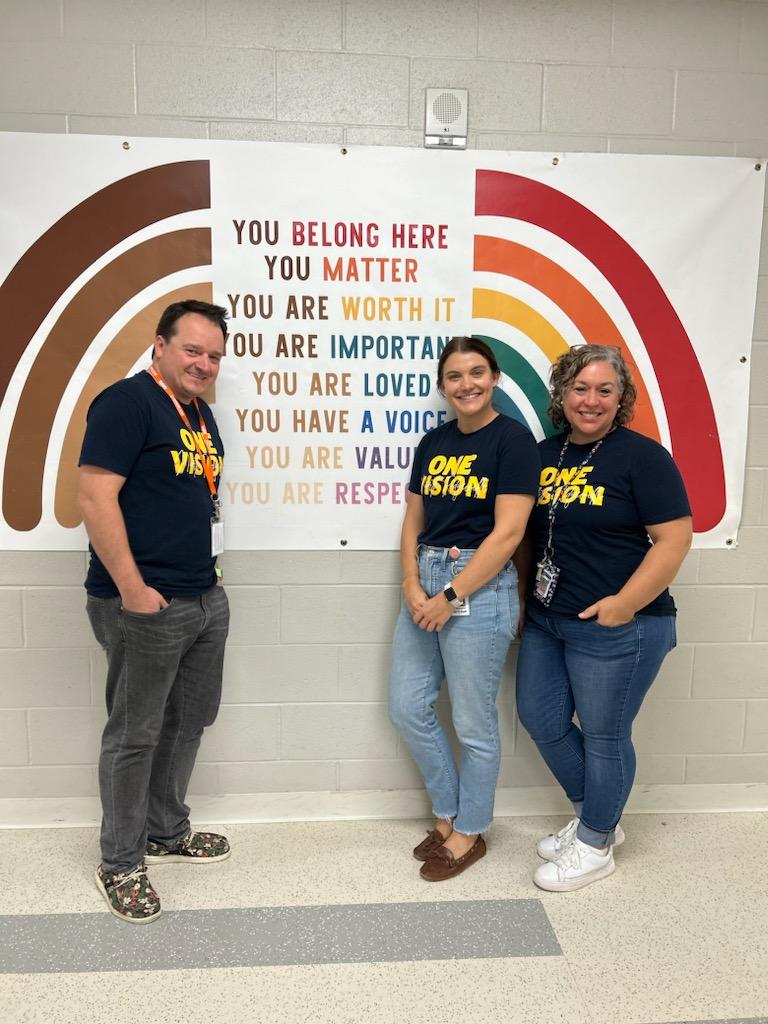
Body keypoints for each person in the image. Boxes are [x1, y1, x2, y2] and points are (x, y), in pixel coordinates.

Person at [515, 344, 692, 892]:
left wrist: (624, 604)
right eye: (580, 388)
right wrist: (526, 600)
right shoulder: (545, 455)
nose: (591, 400)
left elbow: (673, 539)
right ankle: (600, 818)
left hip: (620, 626)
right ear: (562, 394)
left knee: (605, 737)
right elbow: (527, 537)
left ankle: (595, 844)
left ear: (621, 398)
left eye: (605, 390)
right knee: (540, 720)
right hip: (549, 620)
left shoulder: (643, 457)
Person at [78, 299, 231, 924]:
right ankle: (120, 861)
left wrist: (211, 582)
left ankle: (166, 830)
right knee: (135, 732)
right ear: (160, 346)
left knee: (189, 721)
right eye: (192, 349)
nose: (203, 364)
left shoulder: (200, 416)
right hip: (141, 602)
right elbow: (94, 496)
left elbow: (199, 502)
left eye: (214, 356)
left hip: (202, 596)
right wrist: (134, 588)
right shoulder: (125, 403)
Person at [389, 336, 539, 881]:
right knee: (407, 705)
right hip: (426, 576)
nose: (467, 384)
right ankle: (448, 812)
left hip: (478, 585)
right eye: (454, 375)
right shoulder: (434, 441)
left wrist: (452, 598)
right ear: (443, 385)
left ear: (494, 378)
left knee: (475, 725)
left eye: (477, 372)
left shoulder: (513, 442)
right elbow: (413, 519)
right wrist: (411, 580)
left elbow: (509, 534)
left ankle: (472, 829)